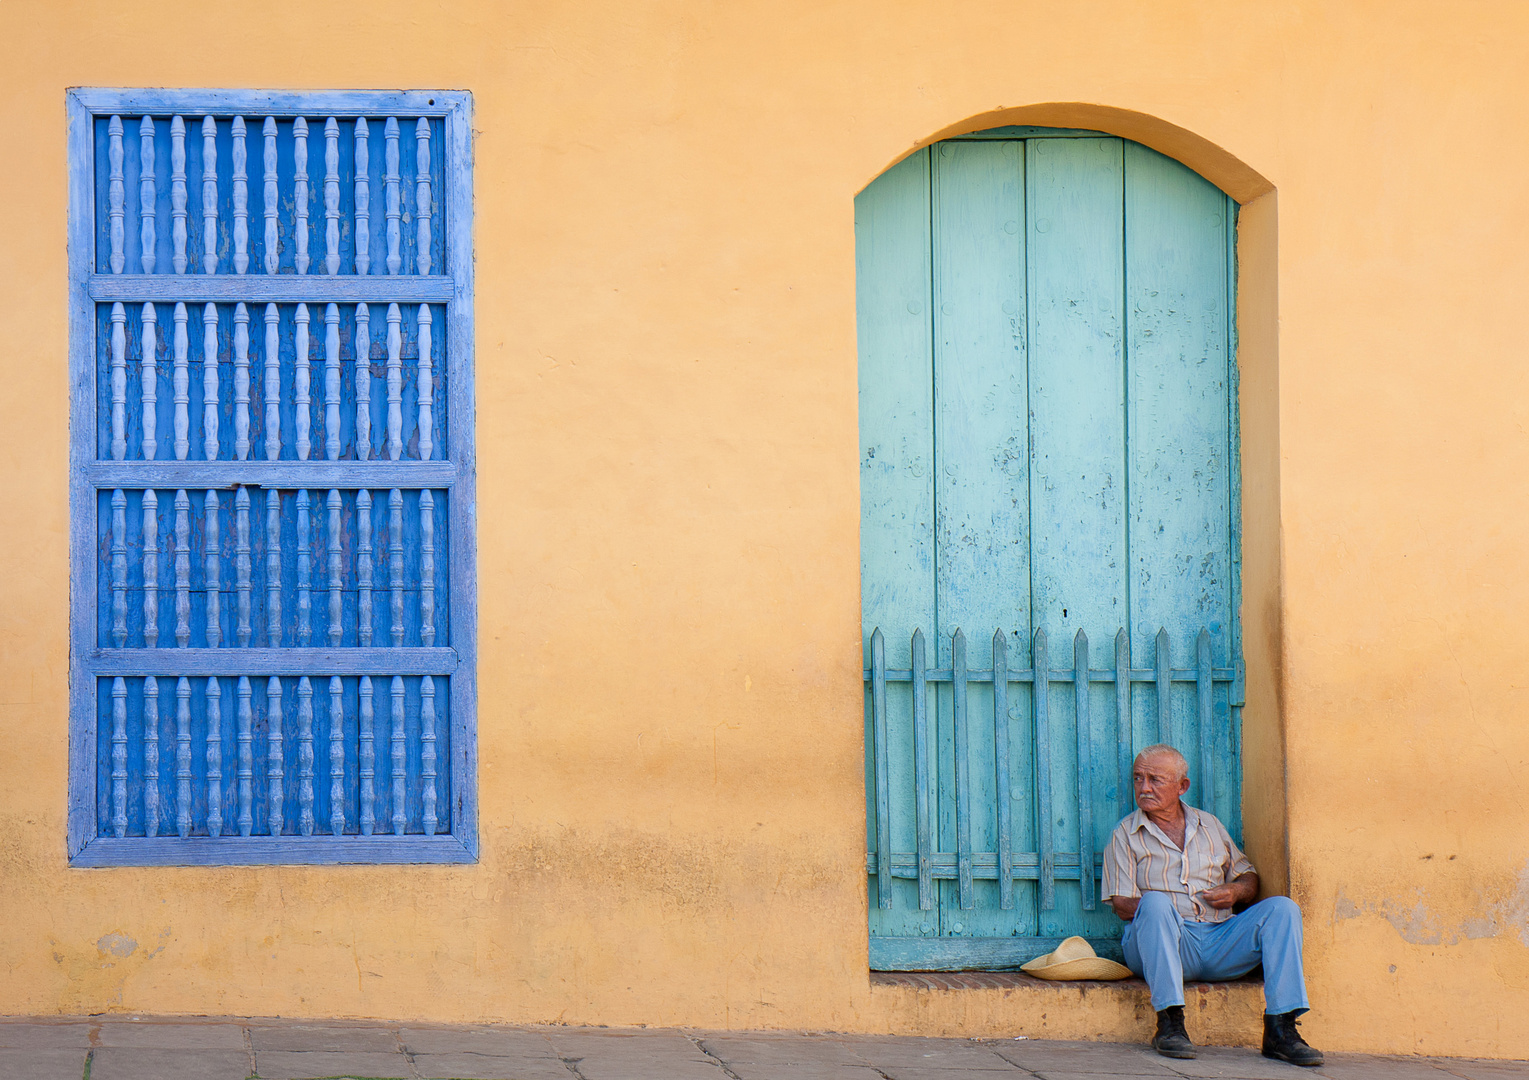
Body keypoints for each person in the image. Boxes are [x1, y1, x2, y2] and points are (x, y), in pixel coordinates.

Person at [1101, 744, 1323, 1067]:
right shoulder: (1125, 834)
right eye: (1138, 779)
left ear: (1182, 787)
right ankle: (1170, 1022)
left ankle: (1281, 1029)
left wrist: (1235, 892)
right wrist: (1162, 909)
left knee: (1283, 910)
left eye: (1155, 779)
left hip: (1219, 938)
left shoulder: (1209, 826)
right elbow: (1121, 904)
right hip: (1167, 944)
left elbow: (1249, 877)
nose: (1144, 787)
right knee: (1155, 904)